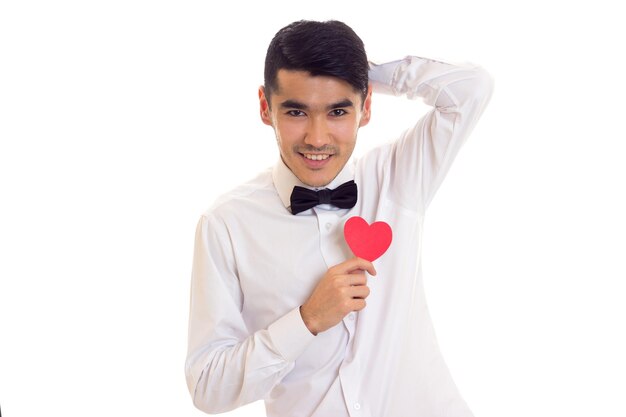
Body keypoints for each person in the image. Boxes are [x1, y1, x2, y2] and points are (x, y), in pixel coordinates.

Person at [185, 19, 493, 416]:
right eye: (296, 111)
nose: (317, 138)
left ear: (365, 110)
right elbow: (208, 387)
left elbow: (473, 88)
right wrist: (306, 321)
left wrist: (365, 74)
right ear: (265, 107)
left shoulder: (398, 179)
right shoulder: (226, 225)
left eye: (337, 111)